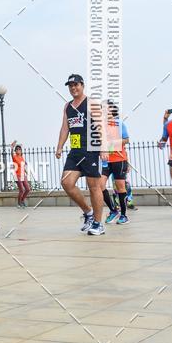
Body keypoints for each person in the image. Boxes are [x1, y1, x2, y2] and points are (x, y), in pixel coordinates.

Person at [55, 73, 104, 236]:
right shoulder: (67, 106)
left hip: (90, 149)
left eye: (76, 85)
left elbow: (100, 126)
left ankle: (98, 223)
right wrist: (60, 146)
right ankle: (88, 213)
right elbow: (65, 128)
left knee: (94, 187)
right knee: (66, 182)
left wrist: (103, 147)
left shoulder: (91, 103)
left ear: (82, 85)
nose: (73, 88)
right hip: (75, 151)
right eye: (70, 86)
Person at [101, 102, 130, 225]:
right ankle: (113, 210)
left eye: (104, 108)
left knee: (120, 187)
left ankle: (124, 215)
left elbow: (126, 140)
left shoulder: (119, 123)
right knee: (99, 185)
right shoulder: (99, 125)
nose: (102, 110)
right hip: (105, 161)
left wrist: (112, 143)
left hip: (119, 159)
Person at [11, 141, 30, 208]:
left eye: (19, 149)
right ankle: (19, 203)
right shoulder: (14, 157)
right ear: (15, 151)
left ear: (21, 151)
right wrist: (12, 147)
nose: (18, 150)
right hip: (17, 175)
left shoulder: (22, 158)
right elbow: (11, 154)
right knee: (22, 189)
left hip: (23, 175)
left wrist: (26, 171)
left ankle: (22, 200)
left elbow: (22, 166)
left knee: (27, 189)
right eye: (17, 149)